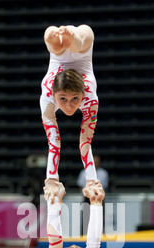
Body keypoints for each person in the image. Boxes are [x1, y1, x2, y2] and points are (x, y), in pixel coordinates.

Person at [41, 25, 99, 202]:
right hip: (83, 51)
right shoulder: (47, 96)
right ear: (54, 95)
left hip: (61, 57)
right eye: (63, 99)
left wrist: (92, 180)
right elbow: (54, 141)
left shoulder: (90, 98)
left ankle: (57, 38)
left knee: (59, 47)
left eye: (75, 99)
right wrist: (50, 179)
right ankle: (61, 37)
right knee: (77, 44)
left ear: (83, 94)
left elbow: (85, 141)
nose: (68, 106)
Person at [77, 154, 109, 235]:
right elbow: (80, 186)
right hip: (87, 198)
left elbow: (103, 186)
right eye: (94, 161)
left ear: (99, 162)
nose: (95, 163)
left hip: (98, 198)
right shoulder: (83, 172)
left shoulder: (103, 173)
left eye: (97, 161)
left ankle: (99, 235)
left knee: (99, 218)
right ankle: (83, 235)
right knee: (85, 218)